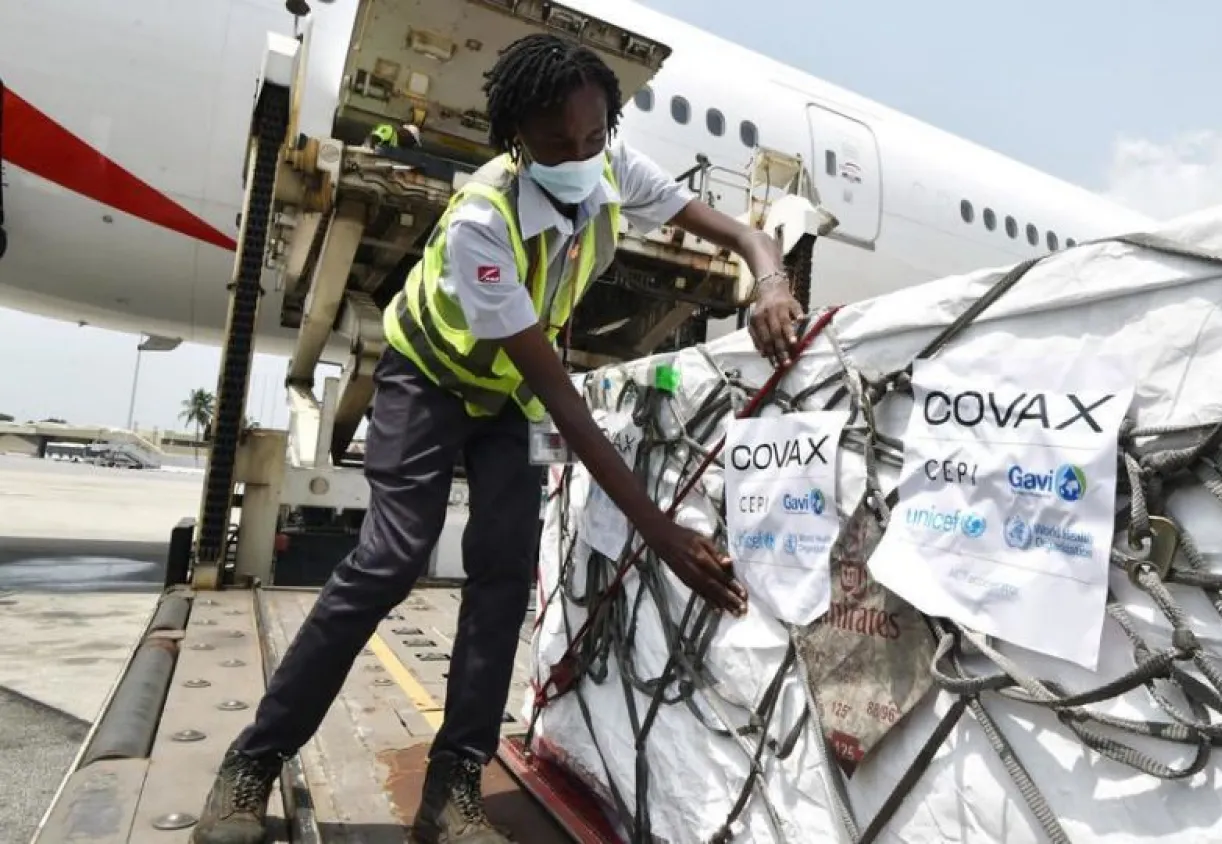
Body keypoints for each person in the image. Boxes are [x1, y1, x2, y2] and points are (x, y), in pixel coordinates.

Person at [191, 33, 806, 844]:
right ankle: (251, 765)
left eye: (594, 138)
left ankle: (453, 791)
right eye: (559, 144)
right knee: (390, 560)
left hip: (509, 396)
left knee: (505, 575)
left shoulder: (614, 171)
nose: (581, 156)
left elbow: (743, 234)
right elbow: (559, 388)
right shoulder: (483, 220)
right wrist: (659, 531)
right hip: (433, 378)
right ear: (517, 140)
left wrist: (768, 276)